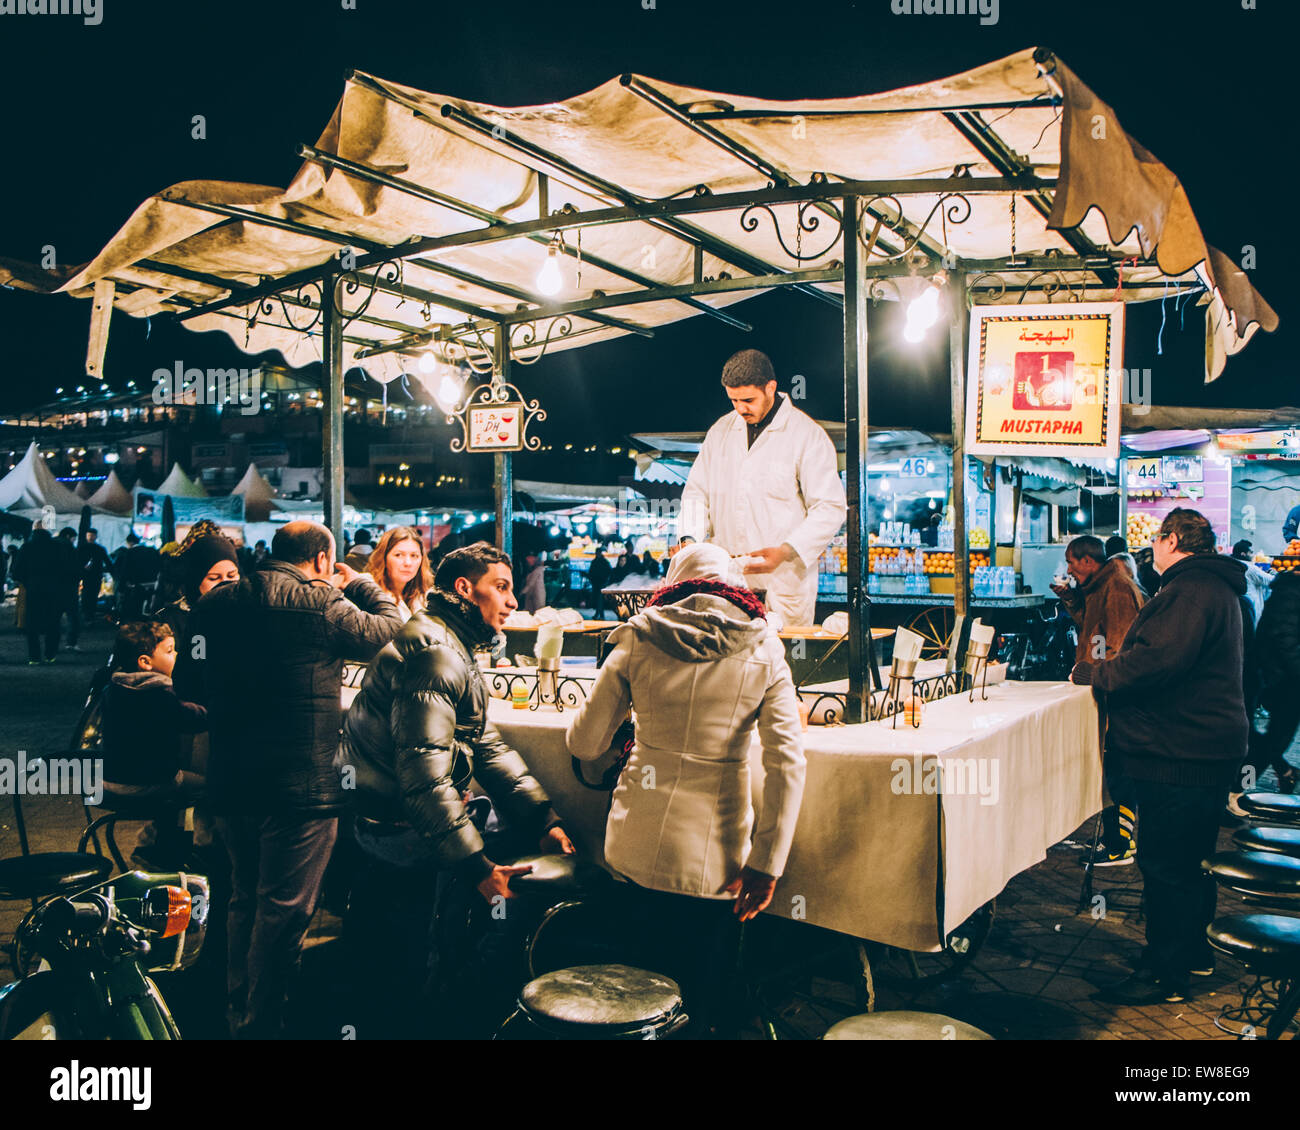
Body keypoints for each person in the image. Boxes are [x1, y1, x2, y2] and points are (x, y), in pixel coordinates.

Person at [174, 520, 404, 1038]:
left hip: (232, 779)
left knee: (243, 897)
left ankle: (237, 1012)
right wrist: (363, 583)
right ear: (322, 561)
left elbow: (188, 678)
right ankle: (263, 1024)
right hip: (301, 788)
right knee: (284, 912)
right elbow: (393, 634)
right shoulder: (321, 603)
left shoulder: (217, 604)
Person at [565, 542, 806, 1035]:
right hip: (717, 855)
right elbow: (786, 761)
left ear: (672, 584)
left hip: (636, 843)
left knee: (634, 981)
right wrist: (768, 864)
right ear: (736, 588)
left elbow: (587, 743)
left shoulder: (637, 636)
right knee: (703, 984)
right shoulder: (765, 645)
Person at [337, 542, 573, 1030]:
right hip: (398, 831)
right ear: (465, 589)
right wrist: (478, 867)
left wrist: (542, 817)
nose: (512, 602)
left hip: (394, 819)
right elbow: (424, 777)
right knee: (494, 905)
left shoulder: (448, 642)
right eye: (501, 588)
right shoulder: (438, 654)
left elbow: (484, 743)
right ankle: (451, 1010)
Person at [1071, 509, 1248, 1004]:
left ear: (1173, 540)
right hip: (1203, 746)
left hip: (1182, 748)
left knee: (1167, 864)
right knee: (1191, 863)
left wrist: (1098, 674)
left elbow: (1157, 660)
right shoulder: (1214, 586)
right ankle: (1191, 953)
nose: (1152, 550)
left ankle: (1164, 975)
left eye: (1157, 540)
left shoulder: (1190, 589)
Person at [680, 348, 846, 627]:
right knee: (728, 662)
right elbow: (696, 494)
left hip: (782, 582)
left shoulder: (806, 435)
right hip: (728, 580)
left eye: (748, 400)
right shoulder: (720, 432)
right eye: (733, 400)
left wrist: (786, 550)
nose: (741, 408)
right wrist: (689, 541)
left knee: (782, 662)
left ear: (771, 388)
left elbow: (830, 507)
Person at [1051, 534, 1145, 865]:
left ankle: (1120, 846)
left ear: (1089, 562)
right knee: (1111, 767)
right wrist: (1072, 600)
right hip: (1108, 690)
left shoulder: (1116, 587)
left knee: (1118, 769)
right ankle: (1115, 840)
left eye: (1072, 563)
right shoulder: (1101, 586)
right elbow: (1095, 630)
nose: (1069, 569)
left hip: (1117, 694)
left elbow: (1120, 648)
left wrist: (1098, 675)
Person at [100, 621, 209, 868]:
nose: (177, 655)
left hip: (110, 780)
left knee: (177, 789)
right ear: (145, 662)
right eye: (170, 651)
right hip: (149, 782)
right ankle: (193, 849)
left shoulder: (113, 688)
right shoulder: (158, 693)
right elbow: (194, 718)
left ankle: (154, 843)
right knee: (210, 788)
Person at [1243, 562, 1300, 795]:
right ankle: (1239, 788)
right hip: (1282, 679)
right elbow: (1283, 638)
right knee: (1272, 740)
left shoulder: (1289, 590)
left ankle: (1281, 770)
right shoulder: (1291, 591)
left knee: (1272, 739)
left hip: (1281, 677)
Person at [153, 533, 241, 649]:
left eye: (231, 575)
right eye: (214, 578)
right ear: (195, 579)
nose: (225, 584)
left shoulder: (250, 613)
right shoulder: (171, 621)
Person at [12, 527, 64, 664]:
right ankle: (50, 655)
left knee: (32, 625)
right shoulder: (57, 547)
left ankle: (34, 657)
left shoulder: (27, 547)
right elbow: (64, 569)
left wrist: (28, 582)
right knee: (53, 623)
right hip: (54, 590)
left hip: (34, 590)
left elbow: (16, 572)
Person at [365, 526, 433, 621]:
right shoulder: (367, 590)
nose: (408, 563)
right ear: (383, 557)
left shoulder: (424, 595)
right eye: (399, 555)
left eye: (414, 556)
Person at [1231, 539, 1272, 624]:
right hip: (1252, 608)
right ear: (1243, 554)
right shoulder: (1250, 568)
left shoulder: (1232, 565)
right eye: (1251, 552)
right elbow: (1270, 580)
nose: (1253, 555)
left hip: (1236, 609)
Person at [78, 528, 112, 622]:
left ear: (96, 536)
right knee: (87, 596)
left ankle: (88, 616)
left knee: (91, 596)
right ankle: (87, 616)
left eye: (92, 535)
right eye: (89, 535)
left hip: (94, 576)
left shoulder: (98, 549)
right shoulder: (83, 548)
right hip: (88, 576)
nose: (90, 537)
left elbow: (107, 562)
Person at [588, 543, 612, 617]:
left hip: (600, 582)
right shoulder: (599, 561)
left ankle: (598, 614)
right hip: (597, 582)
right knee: (598, 599)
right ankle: (601, 614)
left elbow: (608, 571)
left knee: (599, 598)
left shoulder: (601, 561)